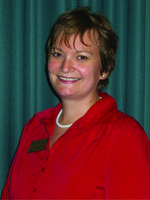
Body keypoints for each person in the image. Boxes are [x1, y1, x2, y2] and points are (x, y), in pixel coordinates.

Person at [1, 7, 150, 199]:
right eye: (58, 54)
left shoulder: (124, 136)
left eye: (81, 57)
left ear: (105, 69)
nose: (65, 66)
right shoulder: (34, 128)